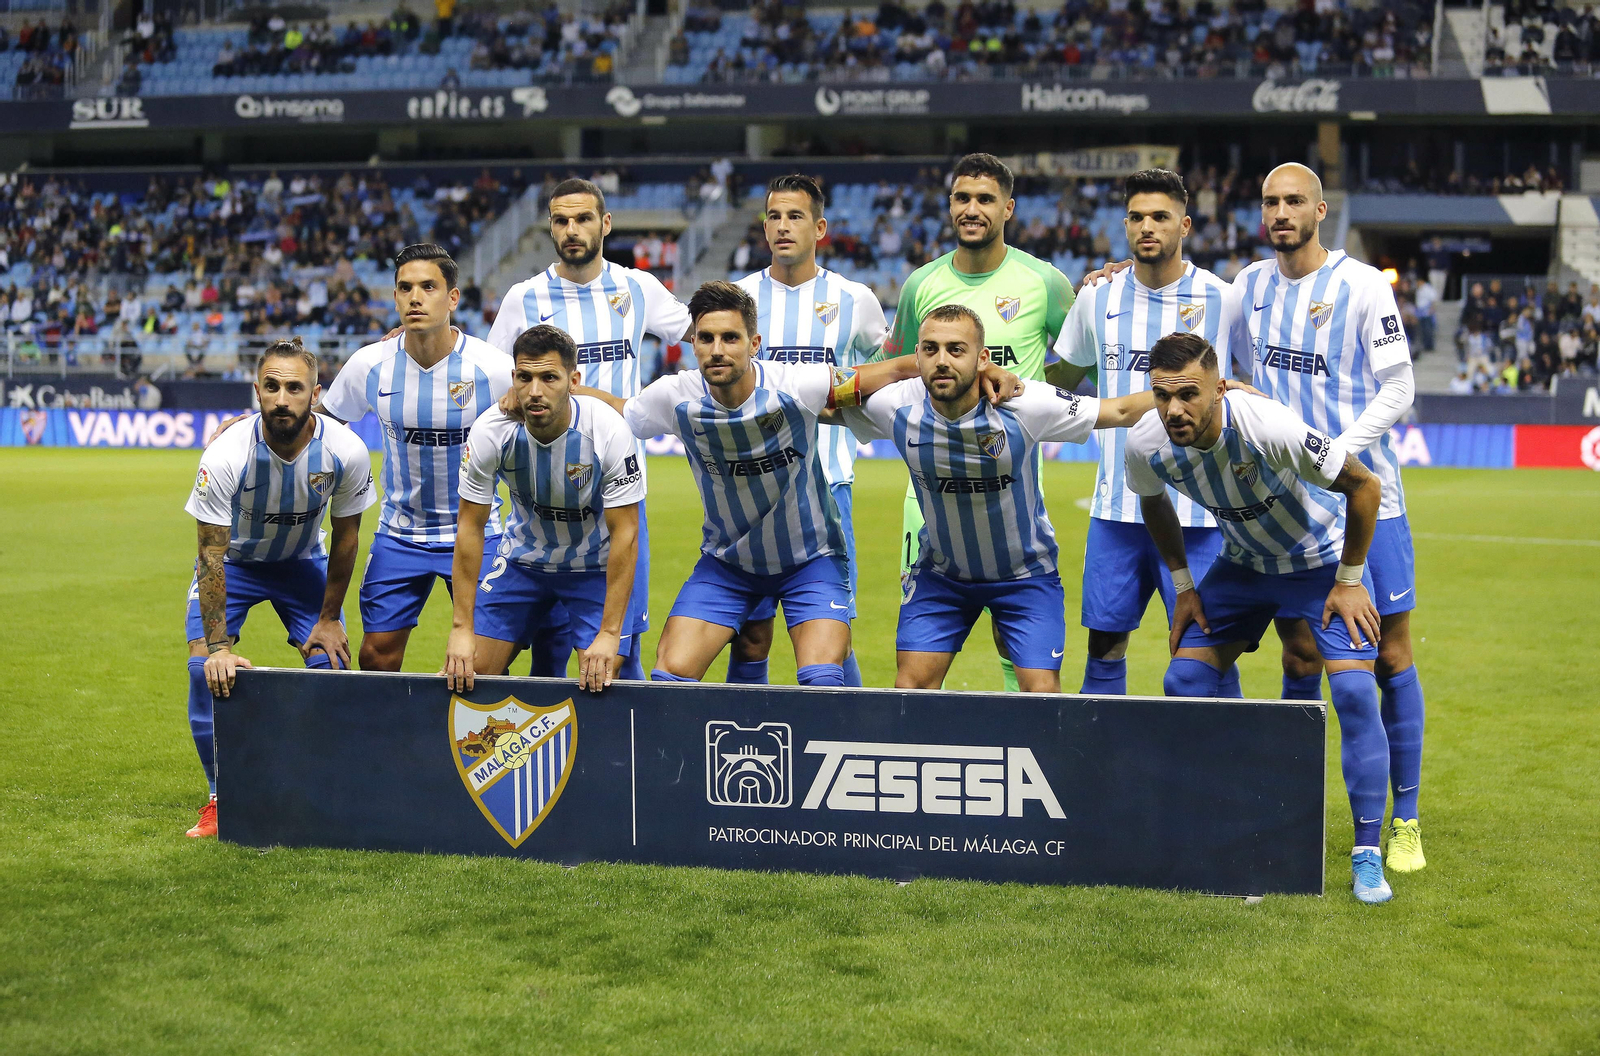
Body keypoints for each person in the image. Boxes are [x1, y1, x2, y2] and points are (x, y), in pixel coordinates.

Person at [580, 281, 1010, 686]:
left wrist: (984, 374)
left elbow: (892, 370)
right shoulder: (673, 396)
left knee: (822, 677)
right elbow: (623, 409)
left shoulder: (797, 385)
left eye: (730, 338)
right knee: (671, 672)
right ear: (692, 344)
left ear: (754, 344)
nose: (716, 350)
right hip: (728, 564)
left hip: (811, 560)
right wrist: (562, 394)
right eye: (705, 338)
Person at [1124, 331, 1393, 903]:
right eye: (1162, 395)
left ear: (1220, 389)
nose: (1174, 409)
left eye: (1188, 394)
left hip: (1321, 563)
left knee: (1352, 694)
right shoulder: (1146, 441)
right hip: (1243, 568)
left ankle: (1368, 852)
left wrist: (1349, 581)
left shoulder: (1268, 426)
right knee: (1185, 681)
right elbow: (1152, 502)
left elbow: (1366, 487)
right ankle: (1231, 818)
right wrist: (1183, 586)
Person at [1232, 163, 1426, 875]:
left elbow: (1399, 384)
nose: (1280, 213)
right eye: (1269, 202)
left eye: (1293, 202)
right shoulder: (1248, 288)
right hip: (1287, 511)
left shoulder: (1363, 285)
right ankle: (1294, 805)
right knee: (1300, 656)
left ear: (1320, 210)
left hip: (1369, 497)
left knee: (1390, 655)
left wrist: (1338, 453)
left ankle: (1402, 819)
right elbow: (1227, 368)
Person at [842, 304, 1155, 693]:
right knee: (911, 690)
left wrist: (1201, 389)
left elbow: (1121, 410)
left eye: (957, 350)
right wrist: (897, 367)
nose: (942, 361)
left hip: (1025, 577)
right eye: (930, 349)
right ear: (916, 355)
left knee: (1042, 694)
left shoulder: (1024, 403)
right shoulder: (896, 404)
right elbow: (821, 394)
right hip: (943, 576)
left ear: (983, 358)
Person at [876, 152, 1076, 693]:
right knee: (920, 652)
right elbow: (898, 361)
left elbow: (1078, 358)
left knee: (1021, 651)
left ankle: (1024, 760)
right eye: (962, 198)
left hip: (1009, 484)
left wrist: (1026, 391)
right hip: (929, 494)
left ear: (1008, 208)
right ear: (949, 206)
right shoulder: (922, 284)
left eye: (985, 199)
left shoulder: (1046, 282)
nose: (972, 209)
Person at [1046, 168, 1242, 698]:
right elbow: (1060, 378)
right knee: (1104, 648)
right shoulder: (1098, 298)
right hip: (1117, 512)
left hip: (1201, 515)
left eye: (1160, 216)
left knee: (1208, 655)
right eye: (1135, 217)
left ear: (1185, 225)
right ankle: (1099, 775)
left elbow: (1247, 387)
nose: (1146, 227)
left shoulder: (1225, 300)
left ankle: (1229, 778)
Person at [488, 178, 689, 681]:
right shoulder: (524, 297)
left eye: (582, 219)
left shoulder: (637, 287)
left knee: (619, 658)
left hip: (617, 490)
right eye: (561, 220)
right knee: (549, 652)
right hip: (541, 490)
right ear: (550, 227)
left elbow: (703, 330)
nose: (572, 230)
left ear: (606, 223)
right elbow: (491, 374)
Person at [181, 339, 375, 838]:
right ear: (257, 391)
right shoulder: (226, 453)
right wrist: (220, 648)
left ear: (315, 392)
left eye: (295, 387)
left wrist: (329, 619)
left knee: (330, 668)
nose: (283, 398)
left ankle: (323, 785)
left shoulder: (345, 450)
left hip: (302, 562)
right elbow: (210, 555)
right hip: (237, 565)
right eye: (272, 387)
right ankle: (219, 798)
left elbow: (348, 537)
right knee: (205, 668)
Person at [308, 244, 513, 672]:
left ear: (452, 298)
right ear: (395, 297)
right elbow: (321, 421)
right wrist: (249, 423)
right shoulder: (369, 364)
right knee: (375, 657)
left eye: (428, 287)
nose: (415, 297)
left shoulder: (492, 369)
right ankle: (390, 739)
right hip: (400, 534)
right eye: (405, 288)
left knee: (485, 664)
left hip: (478, 532)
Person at [726, 173, 889, 688]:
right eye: (773, 216)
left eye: (795, 216)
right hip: (747, 493)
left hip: (825, 490)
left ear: (819, 227)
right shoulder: (738, 296)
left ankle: (855, 740)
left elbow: (876, 377)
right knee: (749, 633)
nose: (782, 226)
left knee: (828, 636)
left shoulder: (855, 299)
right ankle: (734, 739)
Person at [443, 325, 643, 694]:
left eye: (549, 377)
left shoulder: (608, 431)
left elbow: (627, 535)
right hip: (523, 563)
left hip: (593, 567)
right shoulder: (491, 431)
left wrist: (610, 633)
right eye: (525, 377)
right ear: (513, 378)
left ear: (573, 380)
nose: (534, 391)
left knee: (604, 678)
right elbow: (470, 527)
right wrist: (461, 629)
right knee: (470, 669)